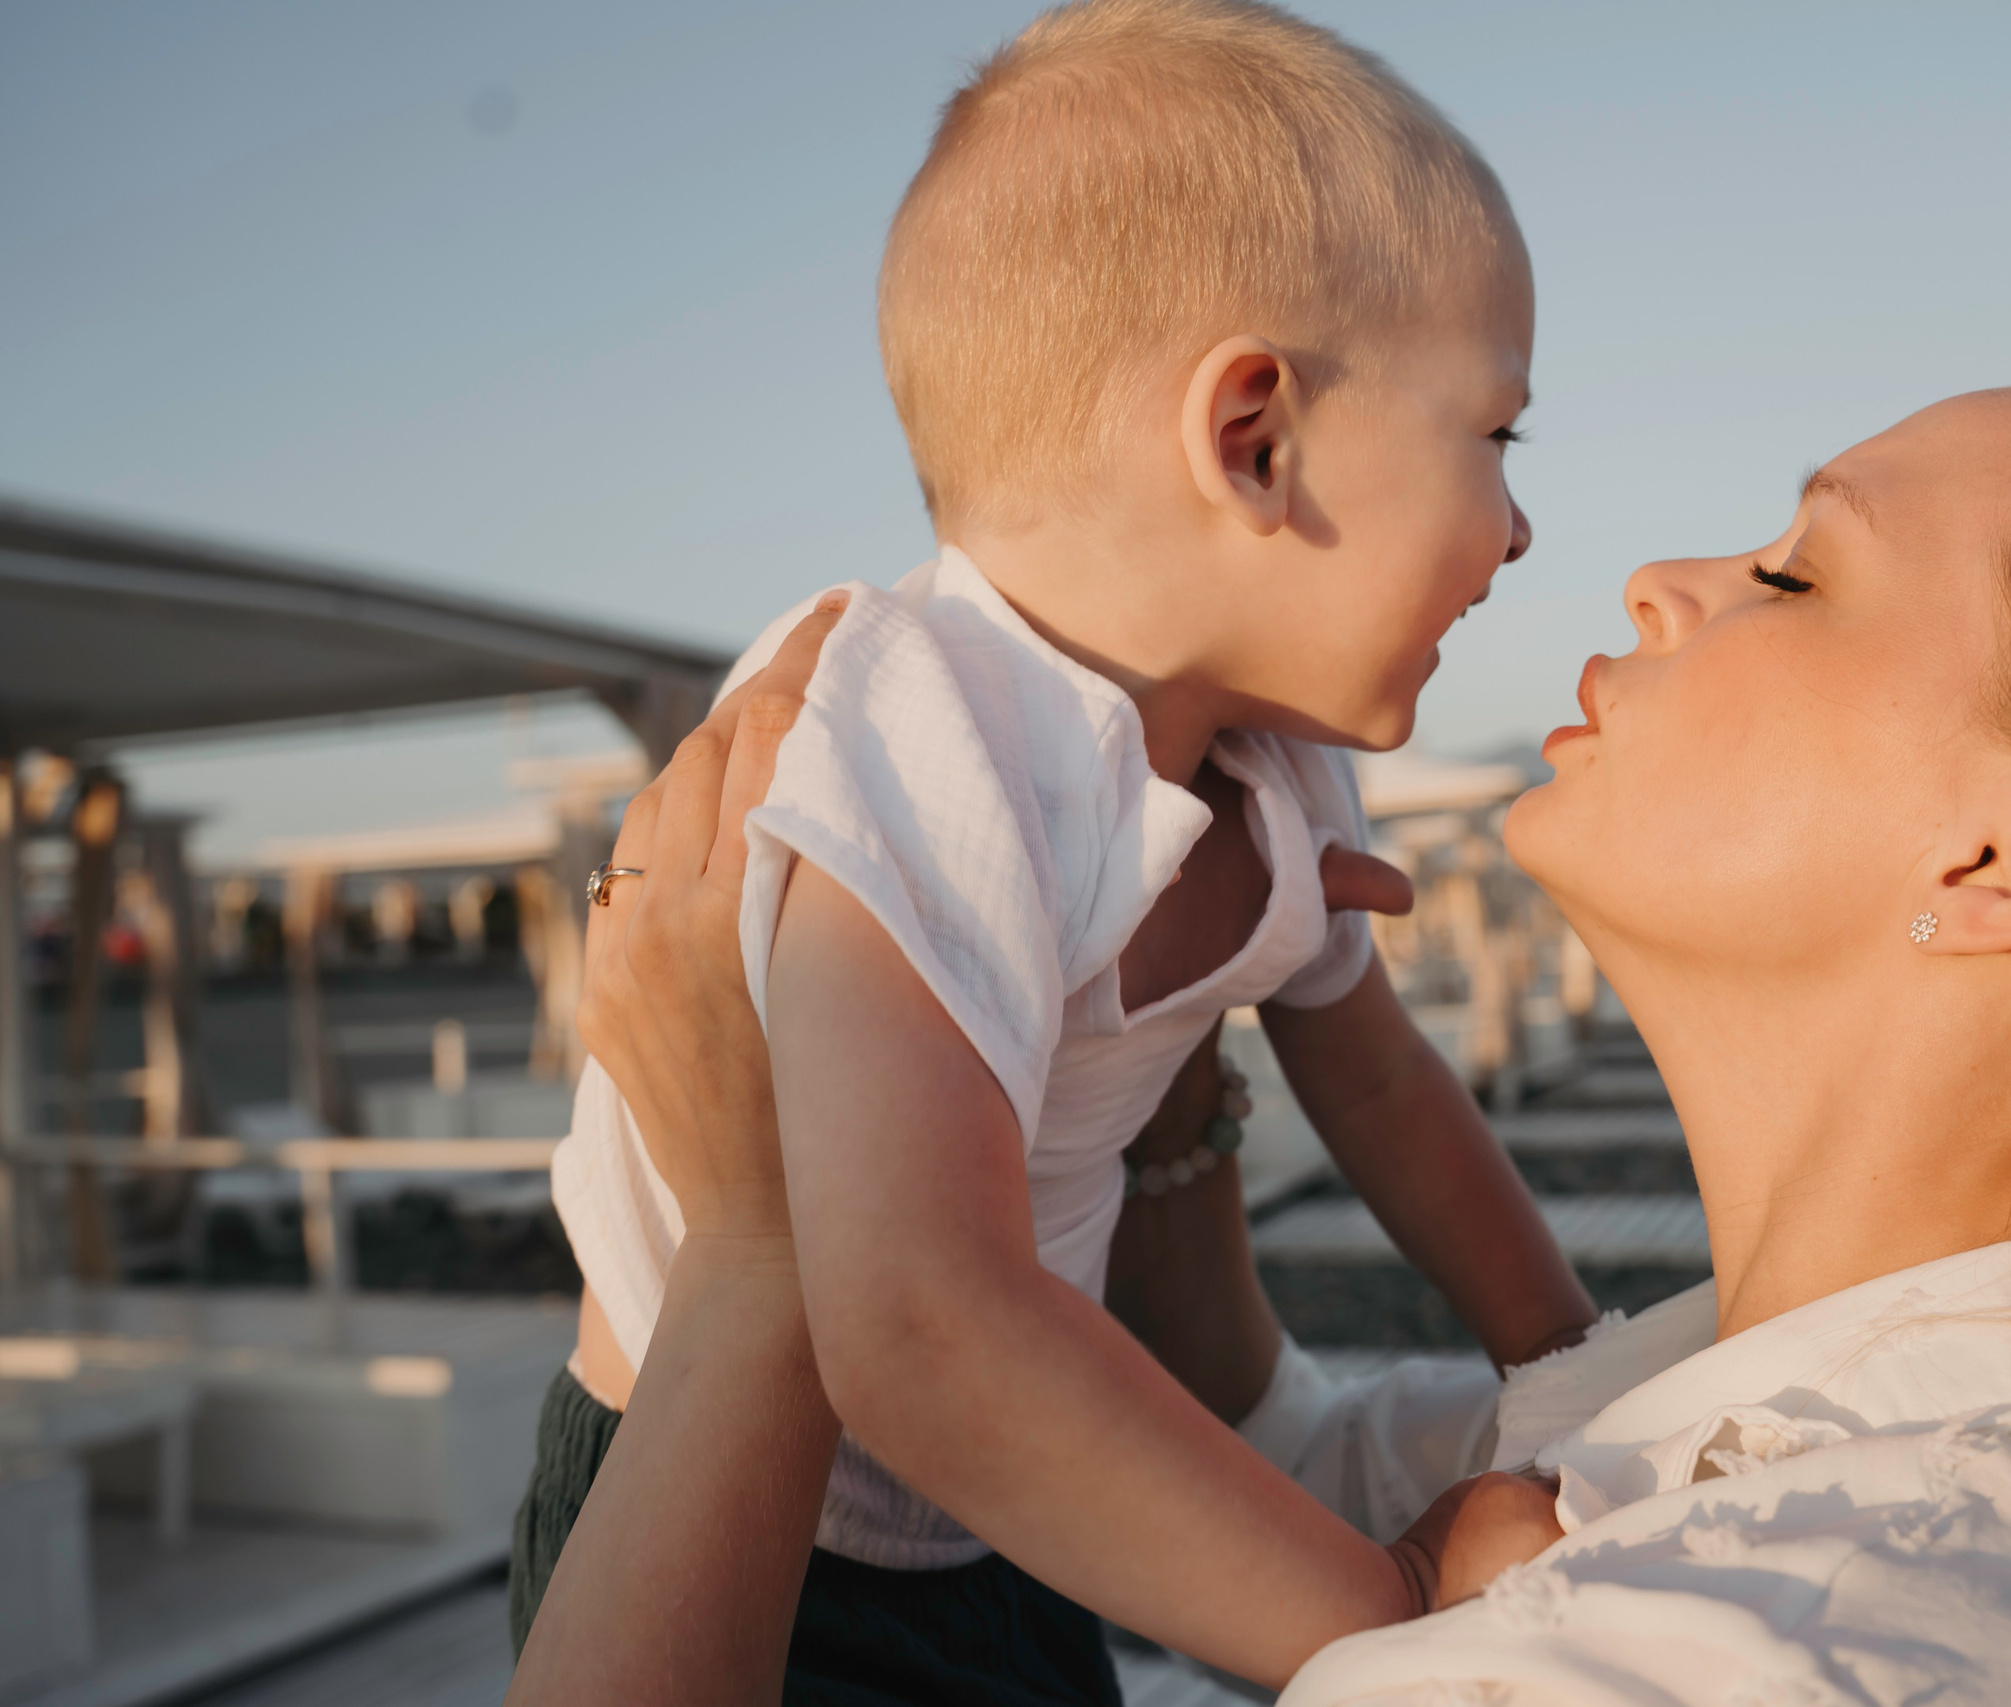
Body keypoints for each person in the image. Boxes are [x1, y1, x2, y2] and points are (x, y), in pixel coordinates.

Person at [519, 339, 2011, 1707]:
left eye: (1791, 569)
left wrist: (765, 1260)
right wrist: (1128, 1072)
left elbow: (1304, 1519)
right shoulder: (1705, 1410)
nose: (1664, 574)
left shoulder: (1851, 1638)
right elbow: (1268, 1434)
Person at [519, 0, 1598, 1696]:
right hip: (742, 1525)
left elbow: (1384, 1085)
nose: (1522, 525)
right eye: (1497, 434)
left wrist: (1565, 1357)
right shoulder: (912, 723)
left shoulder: (1283, 765)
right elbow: (916, 1320)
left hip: (1013, 1494)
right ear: (1255, 440)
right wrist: (1384, 1604)